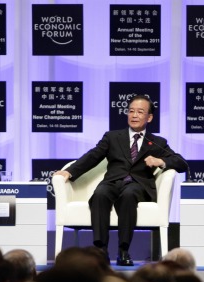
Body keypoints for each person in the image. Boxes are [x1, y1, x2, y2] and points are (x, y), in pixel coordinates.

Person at [54, 94, 188, 266]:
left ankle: (123, 251)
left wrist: (160, 161)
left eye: (140, 112)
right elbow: (93, 156)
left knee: (129, 194)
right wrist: (69, 172)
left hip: (138, 186)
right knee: (100, 194)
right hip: (112, 182)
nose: (134, 115)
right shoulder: (112, 137)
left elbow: (182, 163)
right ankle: (100, 250)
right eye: (131, 111)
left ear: (150, 117)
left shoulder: (157, 142)